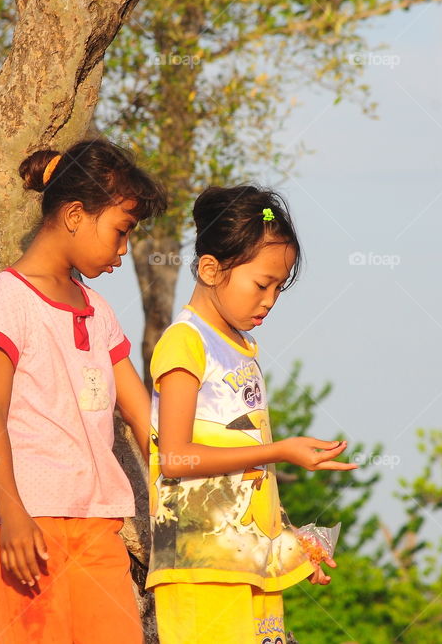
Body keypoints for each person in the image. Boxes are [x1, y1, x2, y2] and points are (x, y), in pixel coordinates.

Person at [0, 139, 167, 643]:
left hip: (98, 526)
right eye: (121, 232)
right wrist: (11, 514)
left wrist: (194, 501)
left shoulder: (100, 312)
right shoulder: (8, 297)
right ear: (76, 214)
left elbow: (146, 423)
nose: (124, 251)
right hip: (23, 528)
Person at [146, 185, 358, 644]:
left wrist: (291, 542)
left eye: (278, 288)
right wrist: (280, 450)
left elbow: (247, 474)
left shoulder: (243, 350)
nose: (270, 299)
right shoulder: (186, 342)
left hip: (246, 567)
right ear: (210, 268)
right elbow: (177, 458)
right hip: (200, 569)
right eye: (262, 284)